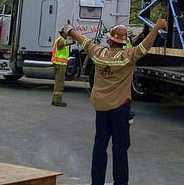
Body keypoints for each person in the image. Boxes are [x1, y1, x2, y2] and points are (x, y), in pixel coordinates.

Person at [62, 17, 167, 185]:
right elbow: (145, 46)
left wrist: (70, 30)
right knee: (120, 149)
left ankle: (97, 182)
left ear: (110, 40)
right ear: (123, 43)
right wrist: (156, 27)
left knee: (99, 147)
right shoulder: (128, 56)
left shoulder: (99, 53)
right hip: (120, 110)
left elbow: (84, 41)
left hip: (101, 109)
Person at [50, 27, 70, 107]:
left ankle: (55, 99)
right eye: (67, 33)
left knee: (59, 82)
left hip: (60, 64)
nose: (68, 35)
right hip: (60, 64)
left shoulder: (61, 39)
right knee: (60, 82)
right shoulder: (61, 40)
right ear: (63, 33)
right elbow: (68, 42)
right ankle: (57, 100)